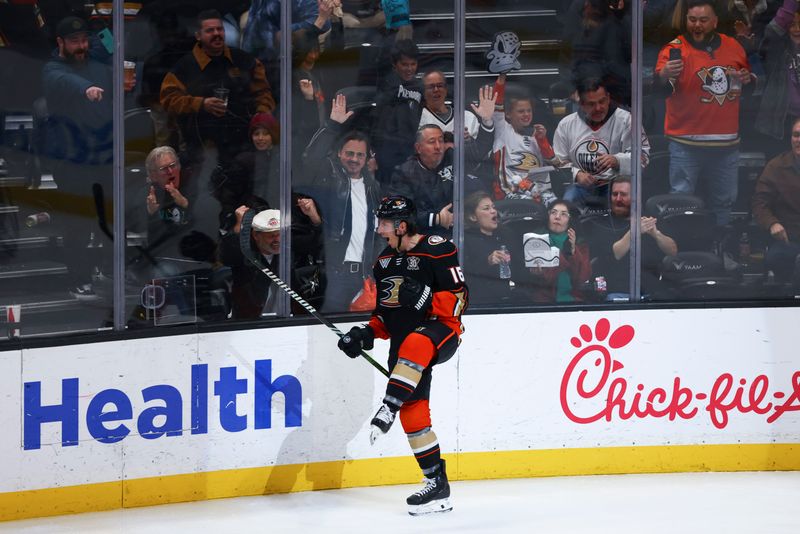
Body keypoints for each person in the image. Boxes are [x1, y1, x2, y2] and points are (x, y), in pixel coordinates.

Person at [336, 195, 468, 516]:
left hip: (441, 330)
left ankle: (387, 407)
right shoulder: (383, 264)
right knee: (415, 413)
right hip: (406, 343)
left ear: (402, 226)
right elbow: (386, 317)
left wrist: (424, 298)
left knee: (415, 342)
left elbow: (461, 301)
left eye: (384, 223)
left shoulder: (438, 248)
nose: (379, 229)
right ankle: (436, 484)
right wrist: (364, 334)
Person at [42, 16, 136, 300]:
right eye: (74, 41)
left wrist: (125, 85)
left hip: (104, 157)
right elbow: (64, 80)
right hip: (72, 160)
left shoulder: (99, 65)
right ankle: (78, 278)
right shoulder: (52, 69)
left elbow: (116, 60)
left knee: (111, 219)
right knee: (78, 223)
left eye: (83, 40)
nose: (81, 46)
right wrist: (85, 88)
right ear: (60, 43)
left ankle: (110, 270)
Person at [655, 0, 752, 226]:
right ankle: (680, 250)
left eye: (703, 20)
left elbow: (745, 85)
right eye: (692, 20)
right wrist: (663, 76)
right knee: (681, 201)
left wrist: (748, 80)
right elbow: (660, 92)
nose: (697, 25)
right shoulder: (673, 49)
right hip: (685, 142)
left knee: (724, 203)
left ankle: (720, 250)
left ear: (715, 21)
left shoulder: (733, 46)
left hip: (726, 143)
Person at [159, 9, 275, 165]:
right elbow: (168, 99)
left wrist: (261, 116)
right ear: (198, 36)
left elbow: (263, 92)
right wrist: (201, 104)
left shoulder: (243, 60)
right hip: (201, 149)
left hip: (244, 147)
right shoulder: (184, 67)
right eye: (210, 30)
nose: (216, 33)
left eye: (219, 29)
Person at [300, 94, 383, 312]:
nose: (354, 159)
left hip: (365, 275)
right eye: (349, 153)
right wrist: (332, 126)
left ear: (367, 158)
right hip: (336, 273)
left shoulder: (372, 187)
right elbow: (310, 159)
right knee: (329, 330)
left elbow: (377, 232)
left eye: (359, 155)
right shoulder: (330, 177)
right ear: (339, 154)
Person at [387, 85, 497, 235]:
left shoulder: (451, 157)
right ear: (418, 148)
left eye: (441, 140)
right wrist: (436, 218)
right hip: (421, 237)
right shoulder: (405, 173)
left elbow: (480, 151)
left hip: (455, 235)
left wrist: (486, 121)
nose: (439, 147)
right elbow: (399, 214)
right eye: (432, 142)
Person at [553, 77, 650, 209]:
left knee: (625, 201)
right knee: (568, 203)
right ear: (581, 103)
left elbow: (643, 158)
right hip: (580, 187)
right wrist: (577, 174)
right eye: (591, 104)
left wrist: (617, 160)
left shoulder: (627, 121)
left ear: (608, 98)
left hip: (617, 183)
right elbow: (557, 162)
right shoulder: (566, 125)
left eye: (602, 101)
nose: (598, 108)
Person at [587, 178, 678, 299]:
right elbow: (616, 253)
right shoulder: (602, 223)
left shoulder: (650, 219)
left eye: (623, 194)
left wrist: (656, 234)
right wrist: (634, 231)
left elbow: (672, 251)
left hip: (652, 291)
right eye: (615, 194)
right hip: (618, 291)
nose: (618, 199)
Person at [491, 73, 557, 205]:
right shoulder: (503, 131)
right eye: (521, 111)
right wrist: (502, 76)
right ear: (508, 114)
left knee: (556, 206)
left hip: (538, 192)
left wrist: (542, 141)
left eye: (529, 111)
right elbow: (496, 104)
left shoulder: (537, 135)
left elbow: (554, 164)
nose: (526, 114)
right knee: (530, 206)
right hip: (510, 194)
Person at [752, 117, 800, 284]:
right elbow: (759, 204)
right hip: (789, 240)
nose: (799, 140)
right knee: (776, 258)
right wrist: (772, 223)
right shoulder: (776, 166)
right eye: (796, 135)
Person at [372, 39, 423, 184]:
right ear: (395, 65)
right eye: (404, 64)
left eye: (413, 64)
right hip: (386, 151)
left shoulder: (419, 87)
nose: (409, 69)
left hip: (410, 150)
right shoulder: (386, 82)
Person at [462, 191, 522, 305]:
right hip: (482, 304)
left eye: (493, 207)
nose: (493, 211)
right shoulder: (465, 240)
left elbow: (520, 270)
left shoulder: (508, 234)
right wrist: (487, 262)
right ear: (472, 216)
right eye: (486, 208)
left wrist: (535, 271)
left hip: (513, 301)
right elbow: (465, 277)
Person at [527, 199, 592, 303]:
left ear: (570, 220)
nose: (557, 217)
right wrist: (537, 273)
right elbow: (536, 278)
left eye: (564, 214)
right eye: (553, 212)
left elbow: (583, 277)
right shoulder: (535, 238)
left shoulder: (579, 241)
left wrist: (573, 250)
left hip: (574, 299)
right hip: (544, 301)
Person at [754, 0, 800, 148]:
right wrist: (791, 3)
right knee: (780, 168)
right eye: (792, 25)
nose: (797, 29)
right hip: (782, 121)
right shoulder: (777, 49)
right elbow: (773, 31)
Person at [418, 69, 480, 139]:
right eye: (431, 87)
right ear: (423, 91)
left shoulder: (468, 117)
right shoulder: (417, 118)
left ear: (446, 89)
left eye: (440, 85)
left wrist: (468, 141)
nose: (436, 90)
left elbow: (479, 147)